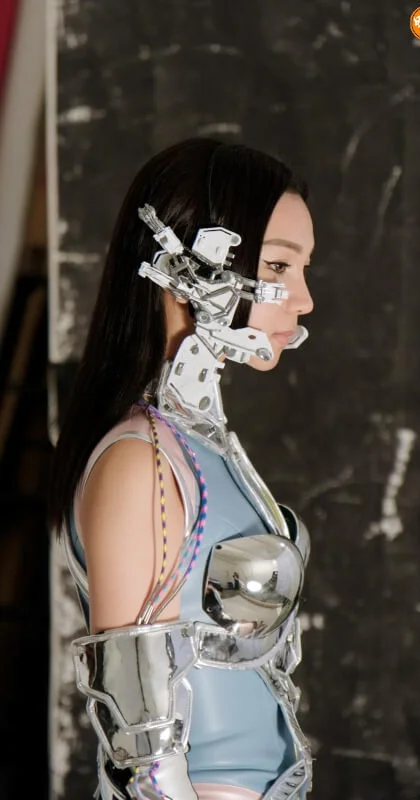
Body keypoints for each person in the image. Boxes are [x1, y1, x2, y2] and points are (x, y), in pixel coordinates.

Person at [49, 137, 315, 800]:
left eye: (303, 267)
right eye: (279, 265)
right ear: (190, 266)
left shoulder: (199, 445)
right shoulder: (142, 461)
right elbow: (141, 745)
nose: (303, 298)